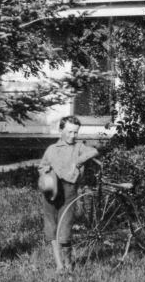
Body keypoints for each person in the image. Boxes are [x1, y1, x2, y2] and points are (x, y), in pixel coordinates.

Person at [37, 115, 101, 271]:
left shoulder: (79, 147)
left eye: (75, 132)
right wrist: (45, 171)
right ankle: (59, 265)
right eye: (69, 132)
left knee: (65, 228)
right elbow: (42, 166)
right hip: (50, 191)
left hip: (68, 190)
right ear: (61, 130)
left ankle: (69, 263)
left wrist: (78, 161)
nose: (72, 135)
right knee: (51, 228)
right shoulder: (51, 149)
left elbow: (94, 151)